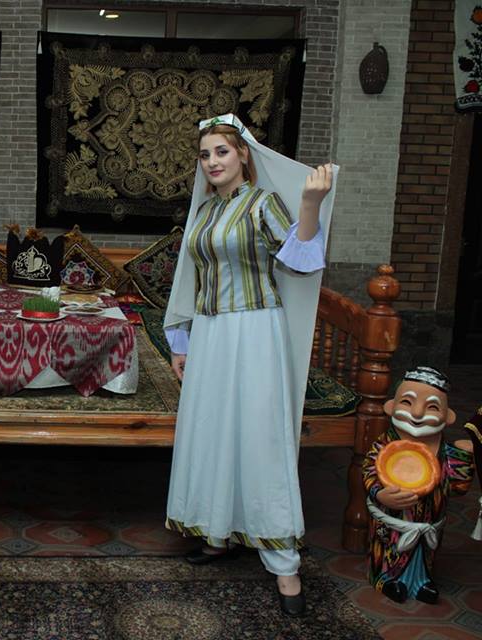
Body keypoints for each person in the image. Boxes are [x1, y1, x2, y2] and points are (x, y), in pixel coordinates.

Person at [163, 114, 336, 617]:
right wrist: (181, 340)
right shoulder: (204, 211)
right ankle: (219, 534)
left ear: (243, 155)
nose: (212, 161)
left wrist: (310, 203)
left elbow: (301, 260)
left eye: (221, 151)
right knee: (213, 431)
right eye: (205, 154)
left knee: (260, 438)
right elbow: (191, 277)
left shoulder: (262, 204)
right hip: (211, 334)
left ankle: (284, 565)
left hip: (256, 331)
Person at [363, 366, 474, 604]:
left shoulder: (445, 452)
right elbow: (370, 471)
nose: (417, 412)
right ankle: (385, 579)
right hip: (392, 521)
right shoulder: (383, 446)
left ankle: (421, 581)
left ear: (448, 416)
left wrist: (465, 457)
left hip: (428, 521)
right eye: (407, 402)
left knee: (424, 554)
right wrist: (380, 494)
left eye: (432, 406)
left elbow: (458, 487)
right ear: (390, 406)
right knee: (388, 549)